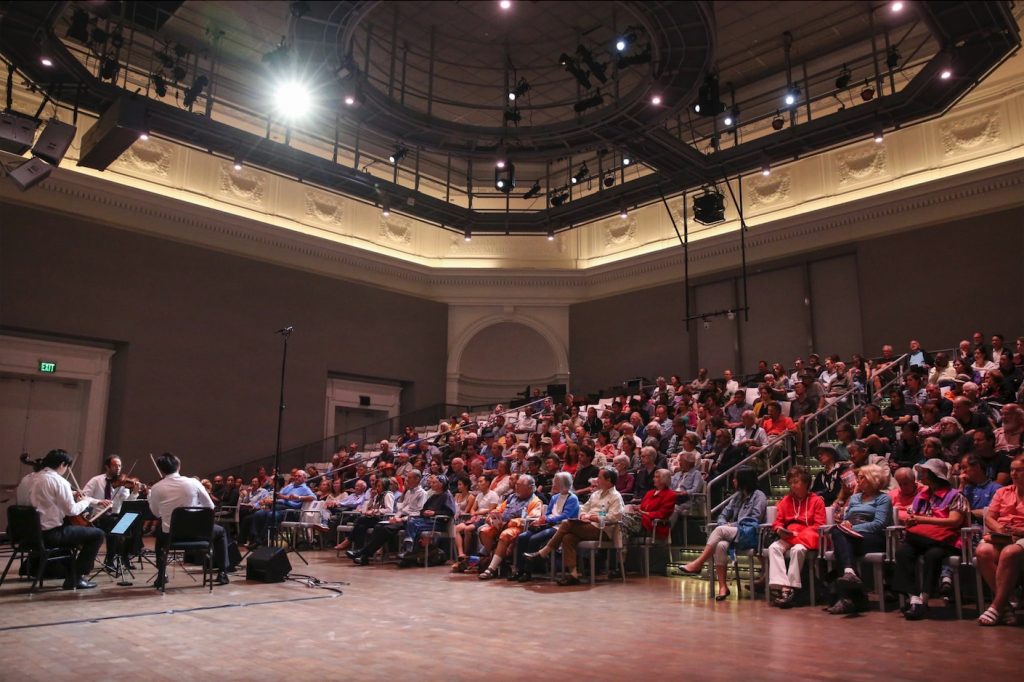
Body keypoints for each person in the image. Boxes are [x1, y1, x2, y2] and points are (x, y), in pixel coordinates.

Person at [16, 450, 110, 590]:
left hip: (24, 536)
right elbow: (71, 511)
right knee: (97, 534)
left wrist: (71, 493)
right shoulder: (58, 481)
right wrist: (87, 500)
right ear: (62, 464)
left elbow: (42, 495)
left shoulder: (26, 479)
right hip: (48, 535)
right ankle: (76, 578)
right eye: (67, 467)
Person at [892, 459, 969, 620]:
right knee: (902, 552)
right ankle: (914, 598)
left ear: (934, 475)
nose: (921, 474)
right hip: (924, 538)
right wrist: (912, 521)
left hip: (948, 540)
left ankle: (924, 600)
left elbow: (954, 521)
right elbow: (914, 516)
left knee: (932, 555)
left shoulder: (955, 496)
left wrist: (923, 520)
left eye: (925, 472)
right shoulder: (922, 495)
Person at [524, 466, 624, 586]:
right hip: (587, 526)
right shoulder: (596, 494)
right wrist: (583, 515)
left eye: (600, 477)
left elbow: (614, 517)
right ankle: (573, 575)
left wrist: (592, 517)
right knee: (568, 538)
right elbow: (584, 508)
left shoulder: (616, 497)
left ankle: (544, 552)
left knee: (567, 523)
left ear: (608, 480)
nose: (597, 479)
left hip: (603, 530)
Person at [679, 467, 767, 600]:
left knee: (720, 531)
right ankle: (723, 588)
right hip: (736, 534)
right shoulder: (737, 497)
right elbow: (723, 514)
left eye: (736, 478)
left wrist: (732, 525)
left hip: (751, 533)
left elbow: (755, 518)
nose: (733, 481)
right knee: (720, 545)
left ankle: (698, 564)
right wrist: (724, 524)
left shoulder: (758, 495)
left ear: (744, 480)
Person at [147, 453, 230, 588]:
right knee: (220, 532)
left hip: (171, 536)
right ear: (179, 467)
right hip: (198, 534)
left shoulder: (156, 488)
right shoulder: (193, 482)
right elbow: (210, 507)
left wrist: (150, 498)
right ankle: (222, 573)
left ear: (161, 470)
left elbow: (157, 513)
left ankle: (161, 575)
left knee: (159, 535)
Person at [825, 464, 894, 614]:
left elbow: (878, 525)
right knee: (838, 533)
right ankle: (850, 576)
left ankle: (851, 597)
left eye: (861, 477)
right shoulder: (855, 498)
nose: (857, 481)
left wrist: (852, 529)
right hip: (850, 536)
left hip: (872, 538)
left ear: (871, 479)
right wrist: (845, 525)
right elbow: (846, 518)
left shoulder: (883, 499)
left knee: (841, 545)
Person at [766, 466, 826, 608]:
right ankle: (782, 585)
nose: (793, 485)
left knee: (797, 549)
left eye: (796, 481)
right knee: (774, 547)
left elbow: (819, 524)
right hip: (789, 535)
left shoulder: (817, 500)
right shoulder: (786, 500)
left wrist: (800, 534)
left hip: (807, 536)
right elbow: (778, 521)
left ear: (806, 483)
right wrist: (778, 529)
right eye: (791, 482)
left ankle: (791, 588)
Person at [975, 454, 1024, 626]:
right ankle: (1006, 605)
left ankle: (996, 606)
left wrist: (1019, 530)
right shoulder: (1002, 491)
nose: (1014, 473)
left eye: (1019, 470)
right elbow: (990, 517)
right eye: (1012, 470)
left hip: (1022, 534)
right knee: (982, 551)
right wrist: (999, 530)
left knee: (1009, 553)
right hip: (1002, 533)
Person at [512, 472, 580, 582]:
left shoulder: (572, 498)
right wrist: (542, 520)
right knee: (523, 537)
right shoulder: (554, 498)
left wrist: (547, 519)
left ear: (563, 483)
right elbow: (548, 513)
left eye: (556, 483)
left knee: (534, 539)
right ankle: (520, 569)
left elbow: (565, 516)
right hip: (549, 524)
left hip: (561, 527)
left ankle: (528, 571)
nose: (553, 485)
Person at [349, 471, 426, 565]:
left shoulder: (422, 493)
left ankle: (362, 553)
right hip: (400, 518)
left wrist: (401, 519)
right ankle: (364, 556)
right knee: (378, 526)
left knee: (386, 529)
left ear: (417, 479)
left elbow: (419, 512)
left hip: (410, 521)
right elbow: (401, 510)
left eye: (409, 478)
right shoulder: (408, 492)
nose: (407, 480)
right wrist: (395, 518)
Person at [476, 475, 544, 580]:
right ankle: (501, 562)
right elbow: (499, 509)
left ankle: (491, 568)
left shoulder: (535, 501)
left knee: (505, 535)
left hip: (517, 528)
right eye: (516, 485)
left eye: (519, 485)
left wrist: (508, 523)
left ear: (528, 488)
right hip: (500, 525)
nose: (516, 487)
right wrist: (491, 518)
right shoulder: (512, 497)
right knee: (484, 531)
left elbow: (531, 519)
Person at [81, 454, 141, 570]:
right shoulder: (96, 480)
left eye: (119, 466)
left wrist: (134, 493)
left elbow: (127, 503)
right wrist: (98, 502)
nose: (118, 468)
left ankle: (125, 556)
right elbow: (84, 496)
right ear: (107, 467)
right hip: (99, 516)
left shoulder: (123, 483)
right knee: (113, 523)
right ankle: (110, 559)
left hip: (116, 515)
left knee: (135, 524)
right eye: (114, 466)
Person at [250, 469, 316, 545]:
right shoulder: (290, 486)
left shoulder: (305, 489)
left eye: (299, 476)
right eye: (295, 476)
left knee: (272, 515)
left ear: (304, 478)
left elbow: (313, 498)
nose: (296, 477)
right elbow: (278, 495)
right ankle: (256, 537)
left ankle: (264, 539)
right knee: (259, 513)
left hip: (291, 510)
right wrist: (287, 497)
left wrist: (298, 497)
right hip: (279, 506)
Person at [336, 478, 395, 554]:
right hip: (375, 518)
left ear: (385, 486)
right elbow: (370, 507)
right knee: (361, 527)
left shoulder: (388, 495)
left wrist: (373, 512)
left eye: (379, 486)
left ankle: (349, 540)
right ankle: (358, 550)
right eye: (377, 486)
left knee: (361, 519)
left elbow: (389, 510)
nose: (377, 488)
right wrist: (372, 497)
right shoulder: (378, 495)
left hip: (384, 519)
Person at [402, 475, 457, 555]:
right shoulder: (434, 496)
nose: (431, 484)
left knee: (412, 524)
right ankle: (411, 549)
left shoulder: (447, 496)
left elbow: (450, 512)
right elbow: (424, 509)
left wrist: (434, 513)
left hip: (438, 523)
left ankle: (409, 550)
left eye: (434, 482)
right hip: (427, 521)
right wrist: (425, 512)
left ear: (441, 484)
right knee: (409, 522)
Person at [453, 474, 498, 560]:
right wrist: (473, 514)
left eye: (481, 482)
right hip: (476, 518)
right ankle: (461, 553)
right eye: (478, 482)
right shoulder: (479, 495)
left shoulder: (493, 494)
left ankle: (467, 553)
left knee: (467, 529)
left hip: (485, 518)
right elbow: (473, 508)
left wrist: (477, 513)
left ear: (488, 483)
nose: (478, 484)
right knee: (456, 529)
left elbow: (491, 509)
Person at [637, 469, 677, 541]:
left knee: (621, 524)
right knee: (622, 525)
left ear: (664, 480)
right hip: (639, 520)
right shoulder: (649, 493)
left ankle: (620, 550)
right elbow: (642, 507)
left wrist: (644, 513)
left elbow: (662, 514)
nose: (653, 479)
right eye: (654, 477)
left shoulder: (670, 495)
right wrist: (636, 508)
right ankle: (622, 551)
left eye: (657, 477)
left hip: (653, 525)